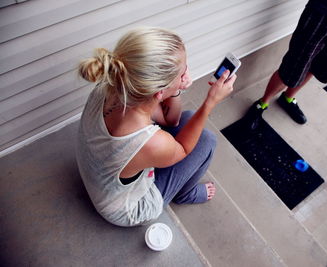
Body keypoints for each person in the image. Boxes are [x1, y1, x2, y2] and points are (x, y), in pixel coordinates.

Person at [75, 27, 236, 227]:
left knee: (188, 118)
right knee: (207, 141)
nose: (186, 74)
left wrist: (175, 88)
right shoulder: (149, 142)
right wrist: (210, 102)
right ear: (159, 92)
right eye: (182, 72)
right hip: (128, 209)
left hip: (98, 177)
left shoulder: (116, 84)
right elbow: (184, 149)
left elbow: (171, 120)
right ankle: (186, 194)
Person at [245, 0, 327, 129]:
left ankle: (287, 99)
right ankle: (262, 103)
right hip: (324, 13)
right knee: (293, 67)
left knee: (318, 65)